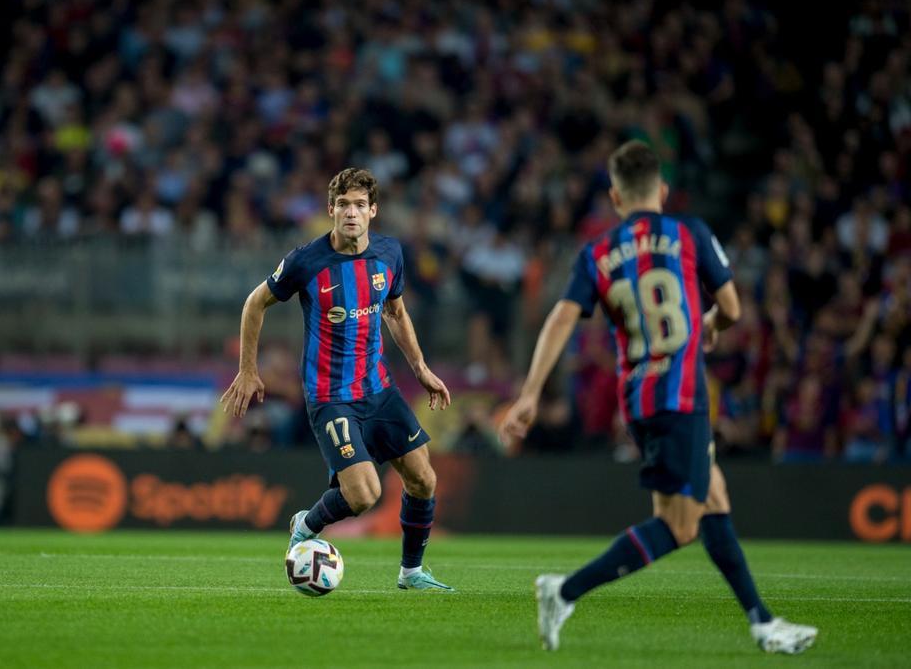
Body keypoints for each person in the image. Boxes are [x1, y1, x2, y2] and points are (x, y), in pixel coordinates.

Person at [499, 141, 818, 654]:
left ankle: (762, 623)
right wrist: (711, 324)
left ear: (616, 197)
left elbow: (561, 318)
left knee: (713, 497)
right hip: (682, 395)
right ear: (663, 191)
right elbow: (732, 308)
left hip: (640, 400)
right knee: (680, 526)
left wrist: (530, 393)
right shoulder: (690, 233)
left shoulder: (597, 252)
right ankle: (565, 590)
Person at [221, 168, 454, 591]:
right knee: (364, 495)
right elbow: (255, 304)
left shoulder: (390, 254)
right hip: (331, 396)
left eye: (360, 205)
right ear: (330, 210)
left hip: (380, 390)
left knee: (424, 479)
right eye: (343, 204)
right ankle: (305, 524)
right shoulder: (305, 261)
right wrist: (248, 370)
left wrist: (420, 368)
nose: (351, 212)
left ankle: (412, 573)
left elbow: (396, 313)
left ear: (373, 211)